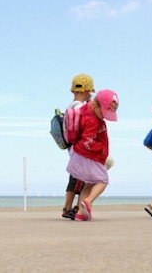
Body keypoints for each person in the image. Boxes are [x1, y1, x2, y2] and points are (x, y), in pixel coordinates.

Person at [66, 89, 119, 221]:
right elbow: (87, 141)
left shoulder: (88, 111)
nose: (104, 116)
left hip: (81, 155)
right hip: (90, 156)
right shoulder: (93, 120)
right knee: (103, 181)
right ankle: (88, 201)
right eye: (103, 112)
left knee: (89, 184)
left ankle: (80, 214)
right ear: (96, 105)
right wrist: (101, 149)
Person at [62, 74, 94, 220]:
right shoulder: (84, 108)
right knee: (84, 179)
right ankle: (71, 208)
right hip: (82, 148)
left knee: (74, 178)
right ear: (88, 91)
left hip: (72, 147)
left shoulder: (70, 107)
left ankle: (71, 207)